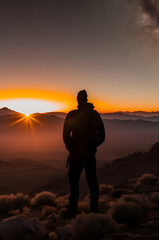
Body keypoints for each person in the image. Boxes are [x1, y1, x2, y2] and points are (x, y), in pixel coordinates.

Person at [63, 89, 105, 218]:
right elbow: (102, 136)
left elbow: (65, 137)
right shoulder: (94, 115)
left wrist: (72, 149)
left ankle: (72, 211)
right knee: (92, 182)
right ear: (86, 99)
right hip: (89, 155)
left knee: (74, 183)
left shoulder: (72, 115)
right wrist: (92, 147)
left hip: (76, 156)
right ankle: (94, 210)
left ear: (77, 99)